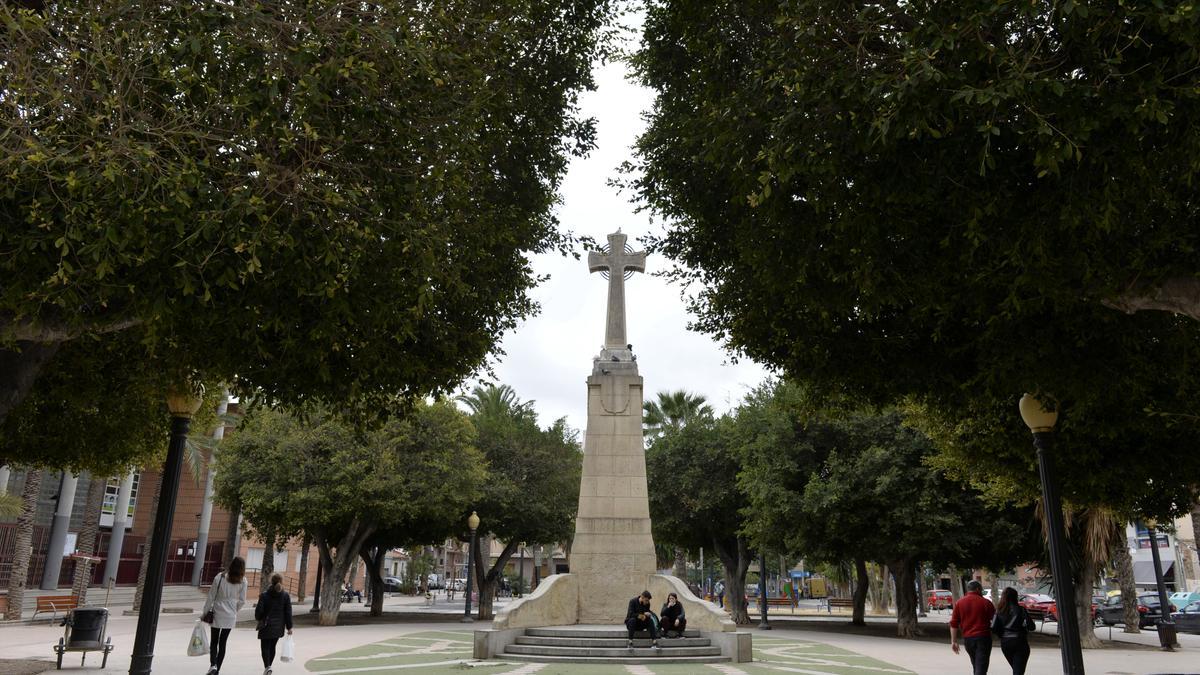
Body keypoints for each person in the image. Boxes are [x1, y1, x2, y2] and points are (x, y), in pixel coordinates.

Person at [202, 556, 247, 675]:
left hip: (217, 610)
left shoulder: (220, 577)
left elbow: (211, 596)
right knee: (223, 642)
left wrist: (205, 612)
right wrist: (234, 610)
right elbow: (242, 601)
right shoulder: (243, 580)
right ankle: (218, 669)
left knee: (214, 641)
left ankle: (213, 665)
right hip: (231, 613)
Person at [950, 580, 996, 675]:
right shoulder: (986, 602)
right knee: (981, 667)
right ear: (978, 589)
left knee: (976, 664)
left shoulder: (959, 603)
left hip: (968, 639)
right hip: (983, 638)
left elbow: (954, 623)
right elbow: (995, 620)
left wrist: (953, 641)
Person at [991, 587, 1036, 675]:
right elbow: (1031, 627)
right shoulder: (1021, 610)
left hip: (1006, 643)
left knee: (1016, 669)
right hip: (1020, 642)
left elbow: (994, 627)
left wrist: (1002, 635)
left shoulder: (999, 611)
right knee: (1018, 670)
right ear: (1015, 597)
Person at [256, 573, 294, 675]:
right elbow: (288, 612)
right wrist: (289, 627)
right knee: (272, 647)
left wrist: (259, 618)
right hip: (278, 627)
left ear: (271, 582)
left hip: (266, 625)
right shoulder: (285, 596)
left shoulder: (264, 595)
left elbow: (258, 613)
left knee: (265, 647)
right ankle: (269, 667)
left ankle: (267, 667)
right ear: (281, 582)